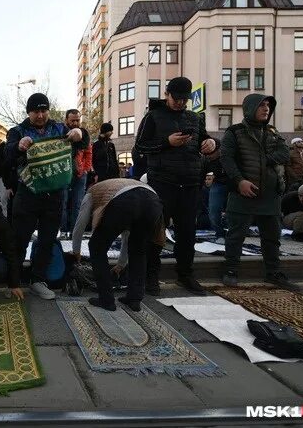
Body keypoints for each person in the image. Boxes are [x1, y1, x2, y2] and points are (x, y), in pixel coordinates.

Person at [134, 77, 217, 295]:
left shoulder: (195, 118)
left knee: (187, 233)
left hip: (190, 183)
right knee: (156, 231)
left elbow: (204, 139)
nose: (180, 103)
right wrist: (166, 143)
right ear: (166, 95)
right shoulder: (153, 116)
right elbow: (140, 146)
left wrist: (210, 143)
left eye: (184, 99)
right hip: (162, 182)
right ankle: (151, 276)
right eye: (176, 98)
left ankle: (186, 274)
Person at [6, 92, 83, 300]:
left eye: (43, 110)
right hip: (27, 194)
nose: (40, 115)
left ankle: (38, 280)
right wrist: (18, 146)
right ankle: (13, 281)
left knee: (47, 239)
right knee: (20, 239)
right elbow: (7, 154)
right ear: (28, 112)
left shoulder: (60, 128)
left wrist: (79, 133)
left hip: (55, 194)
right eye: (35, 111)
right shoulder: (17, 131)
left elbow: (81, 143)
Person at [220, 93, 296, 289]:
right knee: (236, 235)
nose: (266, 109)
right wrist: (239, 181)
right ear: (250, 108)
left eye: (268, 105)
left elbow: (284, 154)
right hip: (243, 192)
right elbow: (227, 159)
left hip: (271, 194)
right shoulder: (235, 132)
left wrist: (263, 158)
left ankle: (273, 272)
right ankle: (231, 270)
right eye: (261, 105)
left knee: (272, 237)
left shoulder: (272, 132)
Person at [72, 178, 164, 311]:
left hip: (124, 202)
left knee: (96, 247)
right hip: (153, 202)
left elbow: (80, 225)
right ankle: (134, 299)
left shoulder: (91, 193)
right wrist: (121, 264)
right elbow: (127, 235)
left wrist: (76, 251)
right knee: (139, 250)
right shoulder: (122, 186)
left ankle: (106, 299)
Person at [60, 109, 92, 239]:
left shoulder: (84, 135)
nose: (75, 122)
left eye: (77, 120)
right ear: (66, 120)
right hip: (63, 174)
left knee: (78, 204)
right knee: (63, 203)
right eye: (72, 120)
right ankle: (63, 231)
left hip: (80, 174)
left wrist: (85, 168)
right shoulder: (61, 133)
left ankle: (75, 232)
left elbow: (88, 153)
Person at [204, 151, 228, 243]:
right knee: (213, 210)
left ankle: (230, 233)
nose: (209, 155)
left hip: (234, 181)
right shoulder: (207, 160)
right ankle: (219, 233)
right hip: (218, 183)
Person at [0, 141, 14, 217]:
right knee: (4, 202)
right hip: (5, 178)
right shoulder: (2, 148)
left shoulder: (0, 148)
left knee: (3, 202)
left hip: (3, 178)